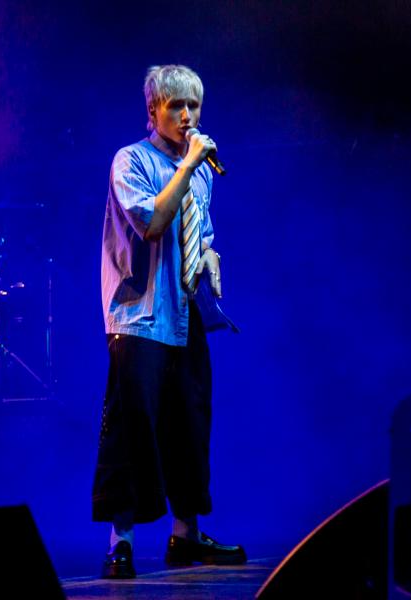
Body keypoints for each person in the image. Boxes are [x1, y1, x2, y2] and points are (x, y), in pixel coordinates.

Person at [93, 64, 245, 579]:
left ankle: (186, 536)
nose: (186, 116)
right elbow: (154, 223)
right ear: (153, 109)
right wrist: (187, 167)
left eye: (193, 106)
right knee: (133, 429)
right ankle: (121, 542)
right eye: (175, 105)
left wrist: (210, 257)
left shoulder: (199, 171)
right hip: (139, 316)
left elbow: (199, 233)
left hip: (185, 314)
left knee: (190, 424)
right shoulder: (131, 160)